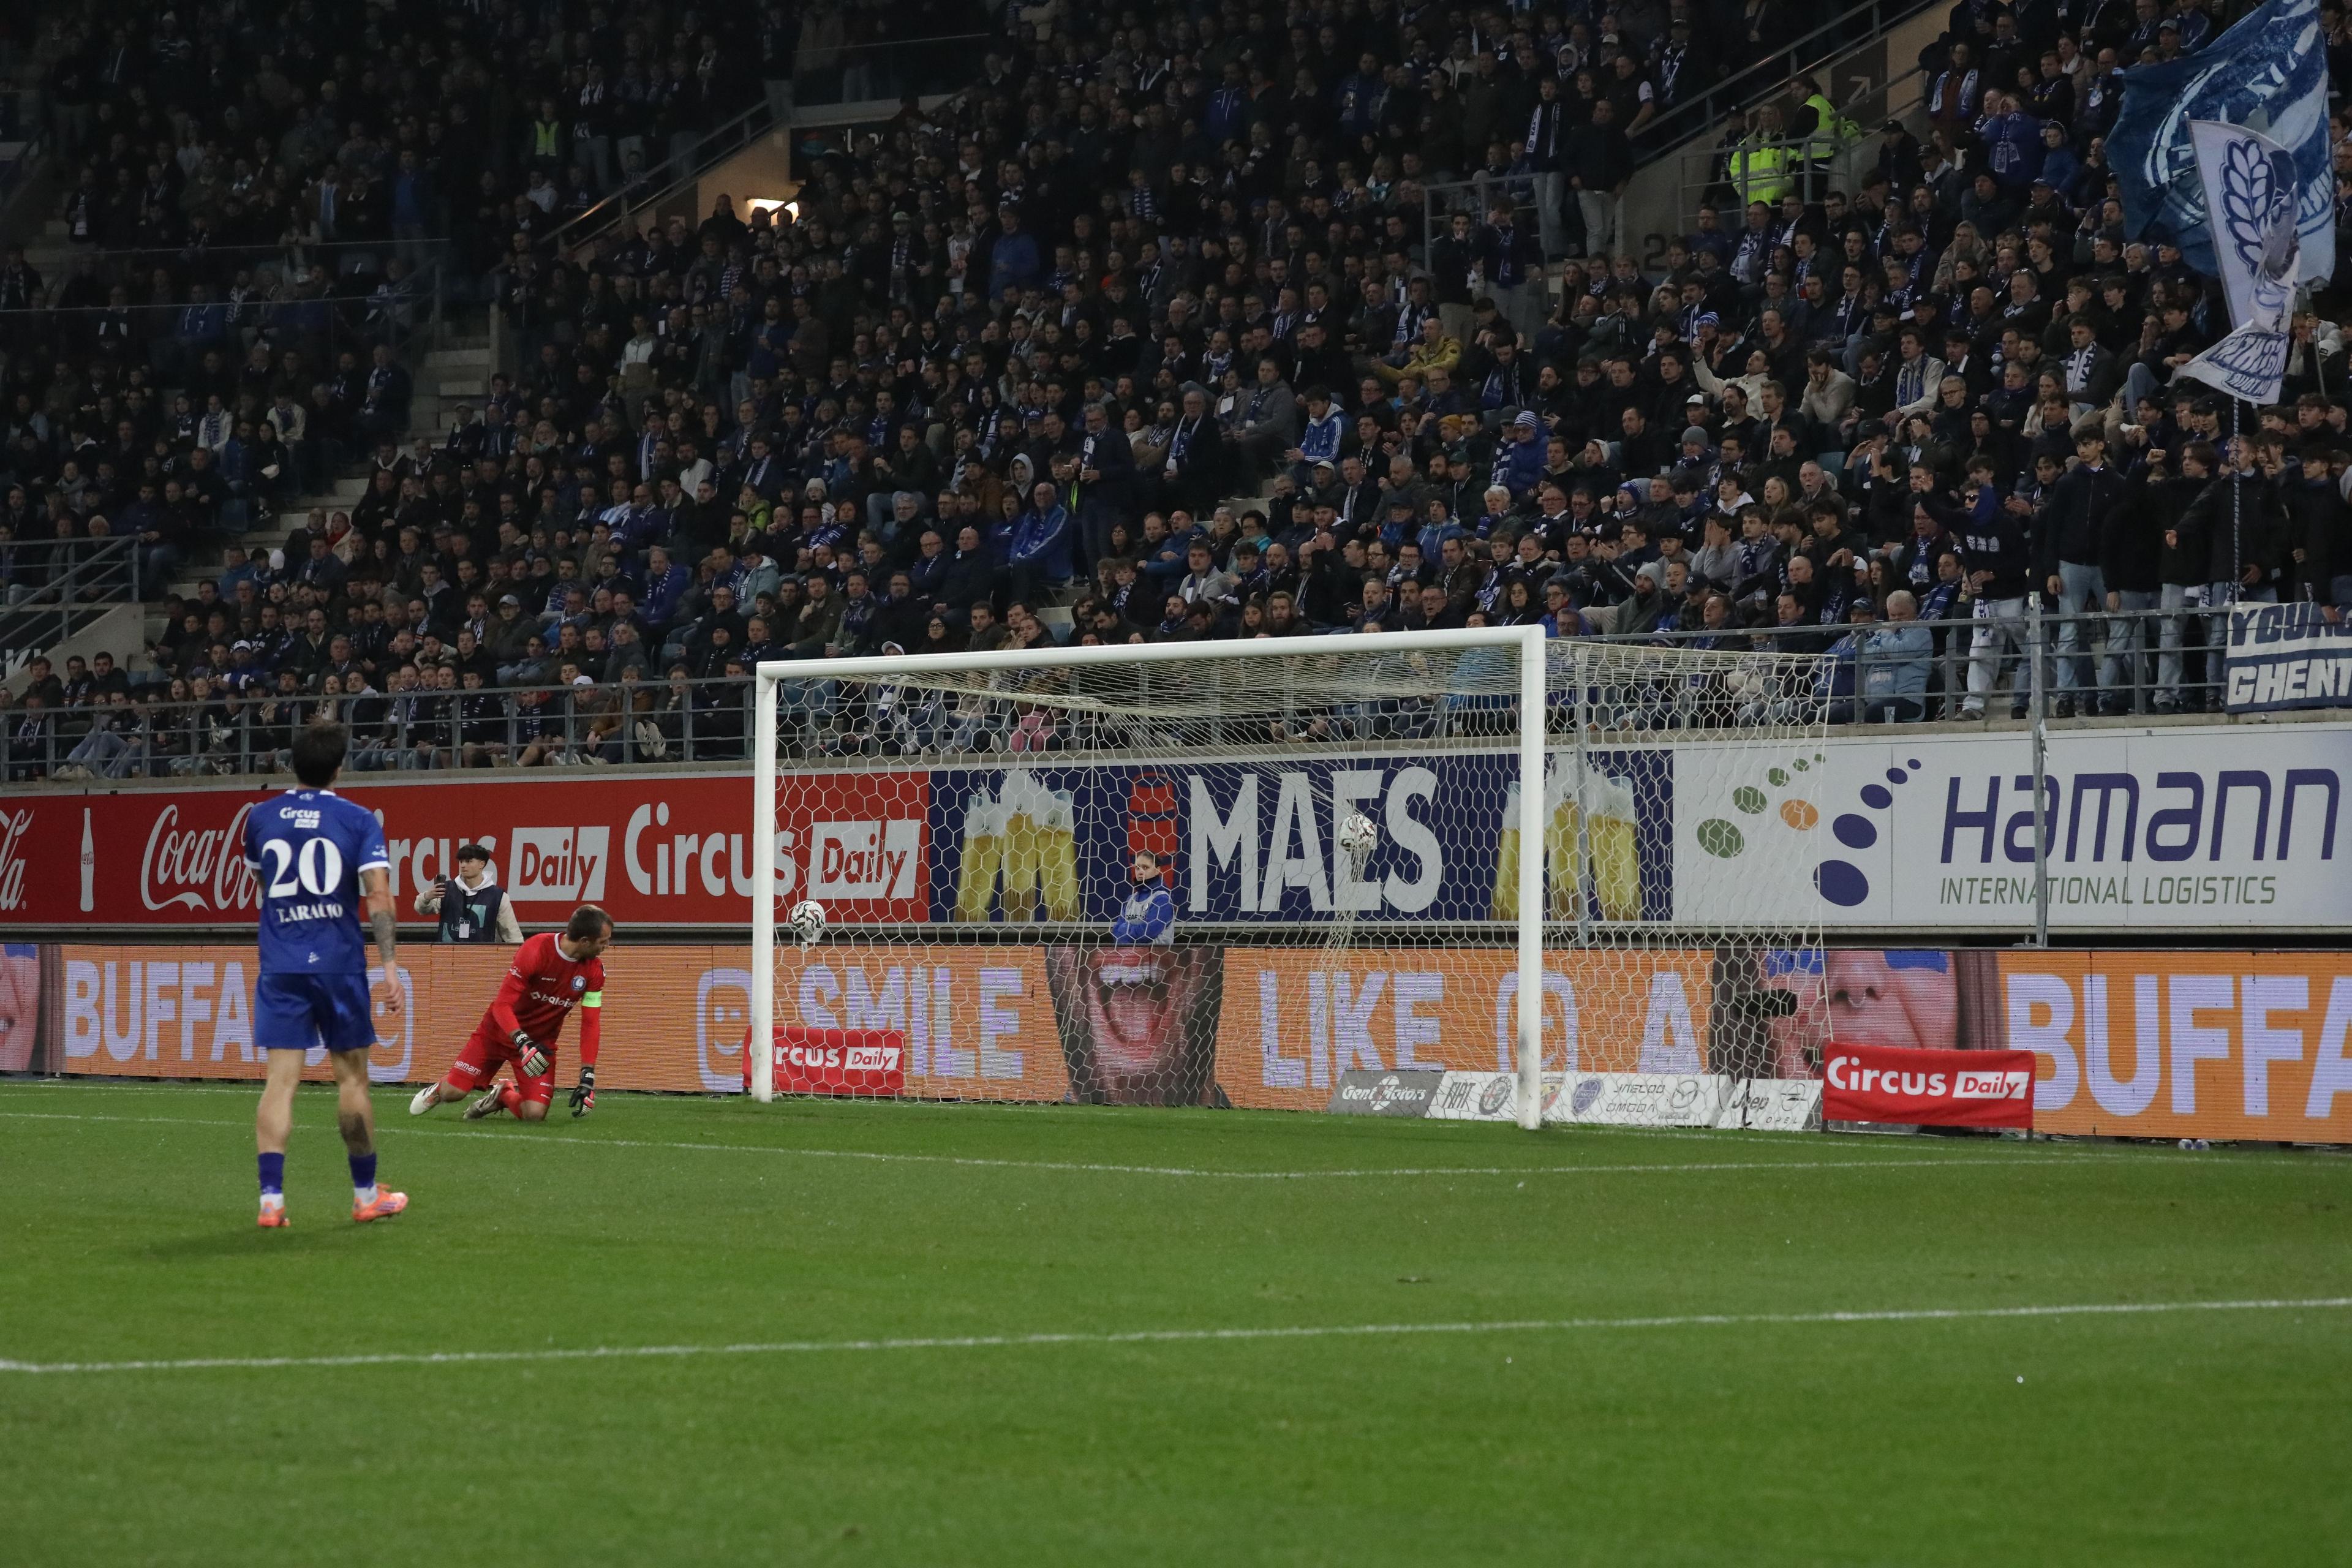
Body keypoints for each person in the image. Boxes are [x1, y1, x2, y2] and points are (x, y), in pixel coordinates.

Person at [243, 722, 407, 1228]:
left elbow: (262, 885)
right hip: (337, 961)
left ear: (293, 763)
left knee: (280, 1081)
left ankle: (271, 1202)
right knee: (352, 1078)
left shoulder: (260, 817)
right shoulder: (357, 819)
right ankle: (364, 1195)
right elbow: (377, 895)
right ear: (340, 768)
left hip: (282, 961)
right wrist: (389, 964)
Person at [408, 904, 612, 1123]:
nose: (607, 946)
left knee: (534, 1115)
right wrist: (522, 1041)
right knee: (454, 1093)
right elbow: (502, 1005)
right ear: (584, 942)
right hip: (498, 1034)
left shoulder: (594, 971)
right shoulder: (536, 949)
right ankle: (439, 1090)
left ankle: (503, 1095)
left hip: (539, 1045)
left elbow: (591, 1024)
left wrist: (587, 1077)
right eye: (603, 942)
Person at [413, 841, 522, 943]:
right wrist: (426, 897)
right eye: (461, 861)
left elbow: (512, 935)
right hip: (447, 958)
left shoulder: (498, 896)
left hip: (484, 960)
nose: (463, 865)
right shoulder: (446, 889)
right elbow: (421, 909)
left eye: (469, 861)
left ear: (482, 864)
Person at [1111, 850, 1175, 946]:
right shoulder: (1131, 899)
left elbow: (1149, 933)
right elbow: (1116, 932)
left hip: (1156, 958)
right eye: (1137, 868)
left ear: (1157, 870)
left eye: (1145, 868)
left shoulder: (1162, 899)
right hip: (1129, 957)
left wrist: (1125, 930)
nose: (1140, 872)